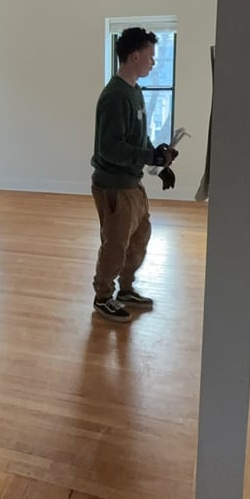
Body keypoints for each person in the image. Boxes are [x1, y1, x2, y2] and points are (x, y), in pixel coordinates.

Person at [90, 27, 177, 322]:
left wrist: (159, 163)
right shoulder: (114, 96)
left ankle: (125, 289)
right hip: (114, 185)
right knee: (115, 244)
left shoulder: (134, 91)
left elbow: (138, 139)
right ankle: (103, 296)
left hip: (132, 183)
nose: (153, 63)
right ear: (135, 56)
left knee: (139, 238)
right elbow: (110, 149)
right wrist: (147, 156)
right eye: (151, 57)